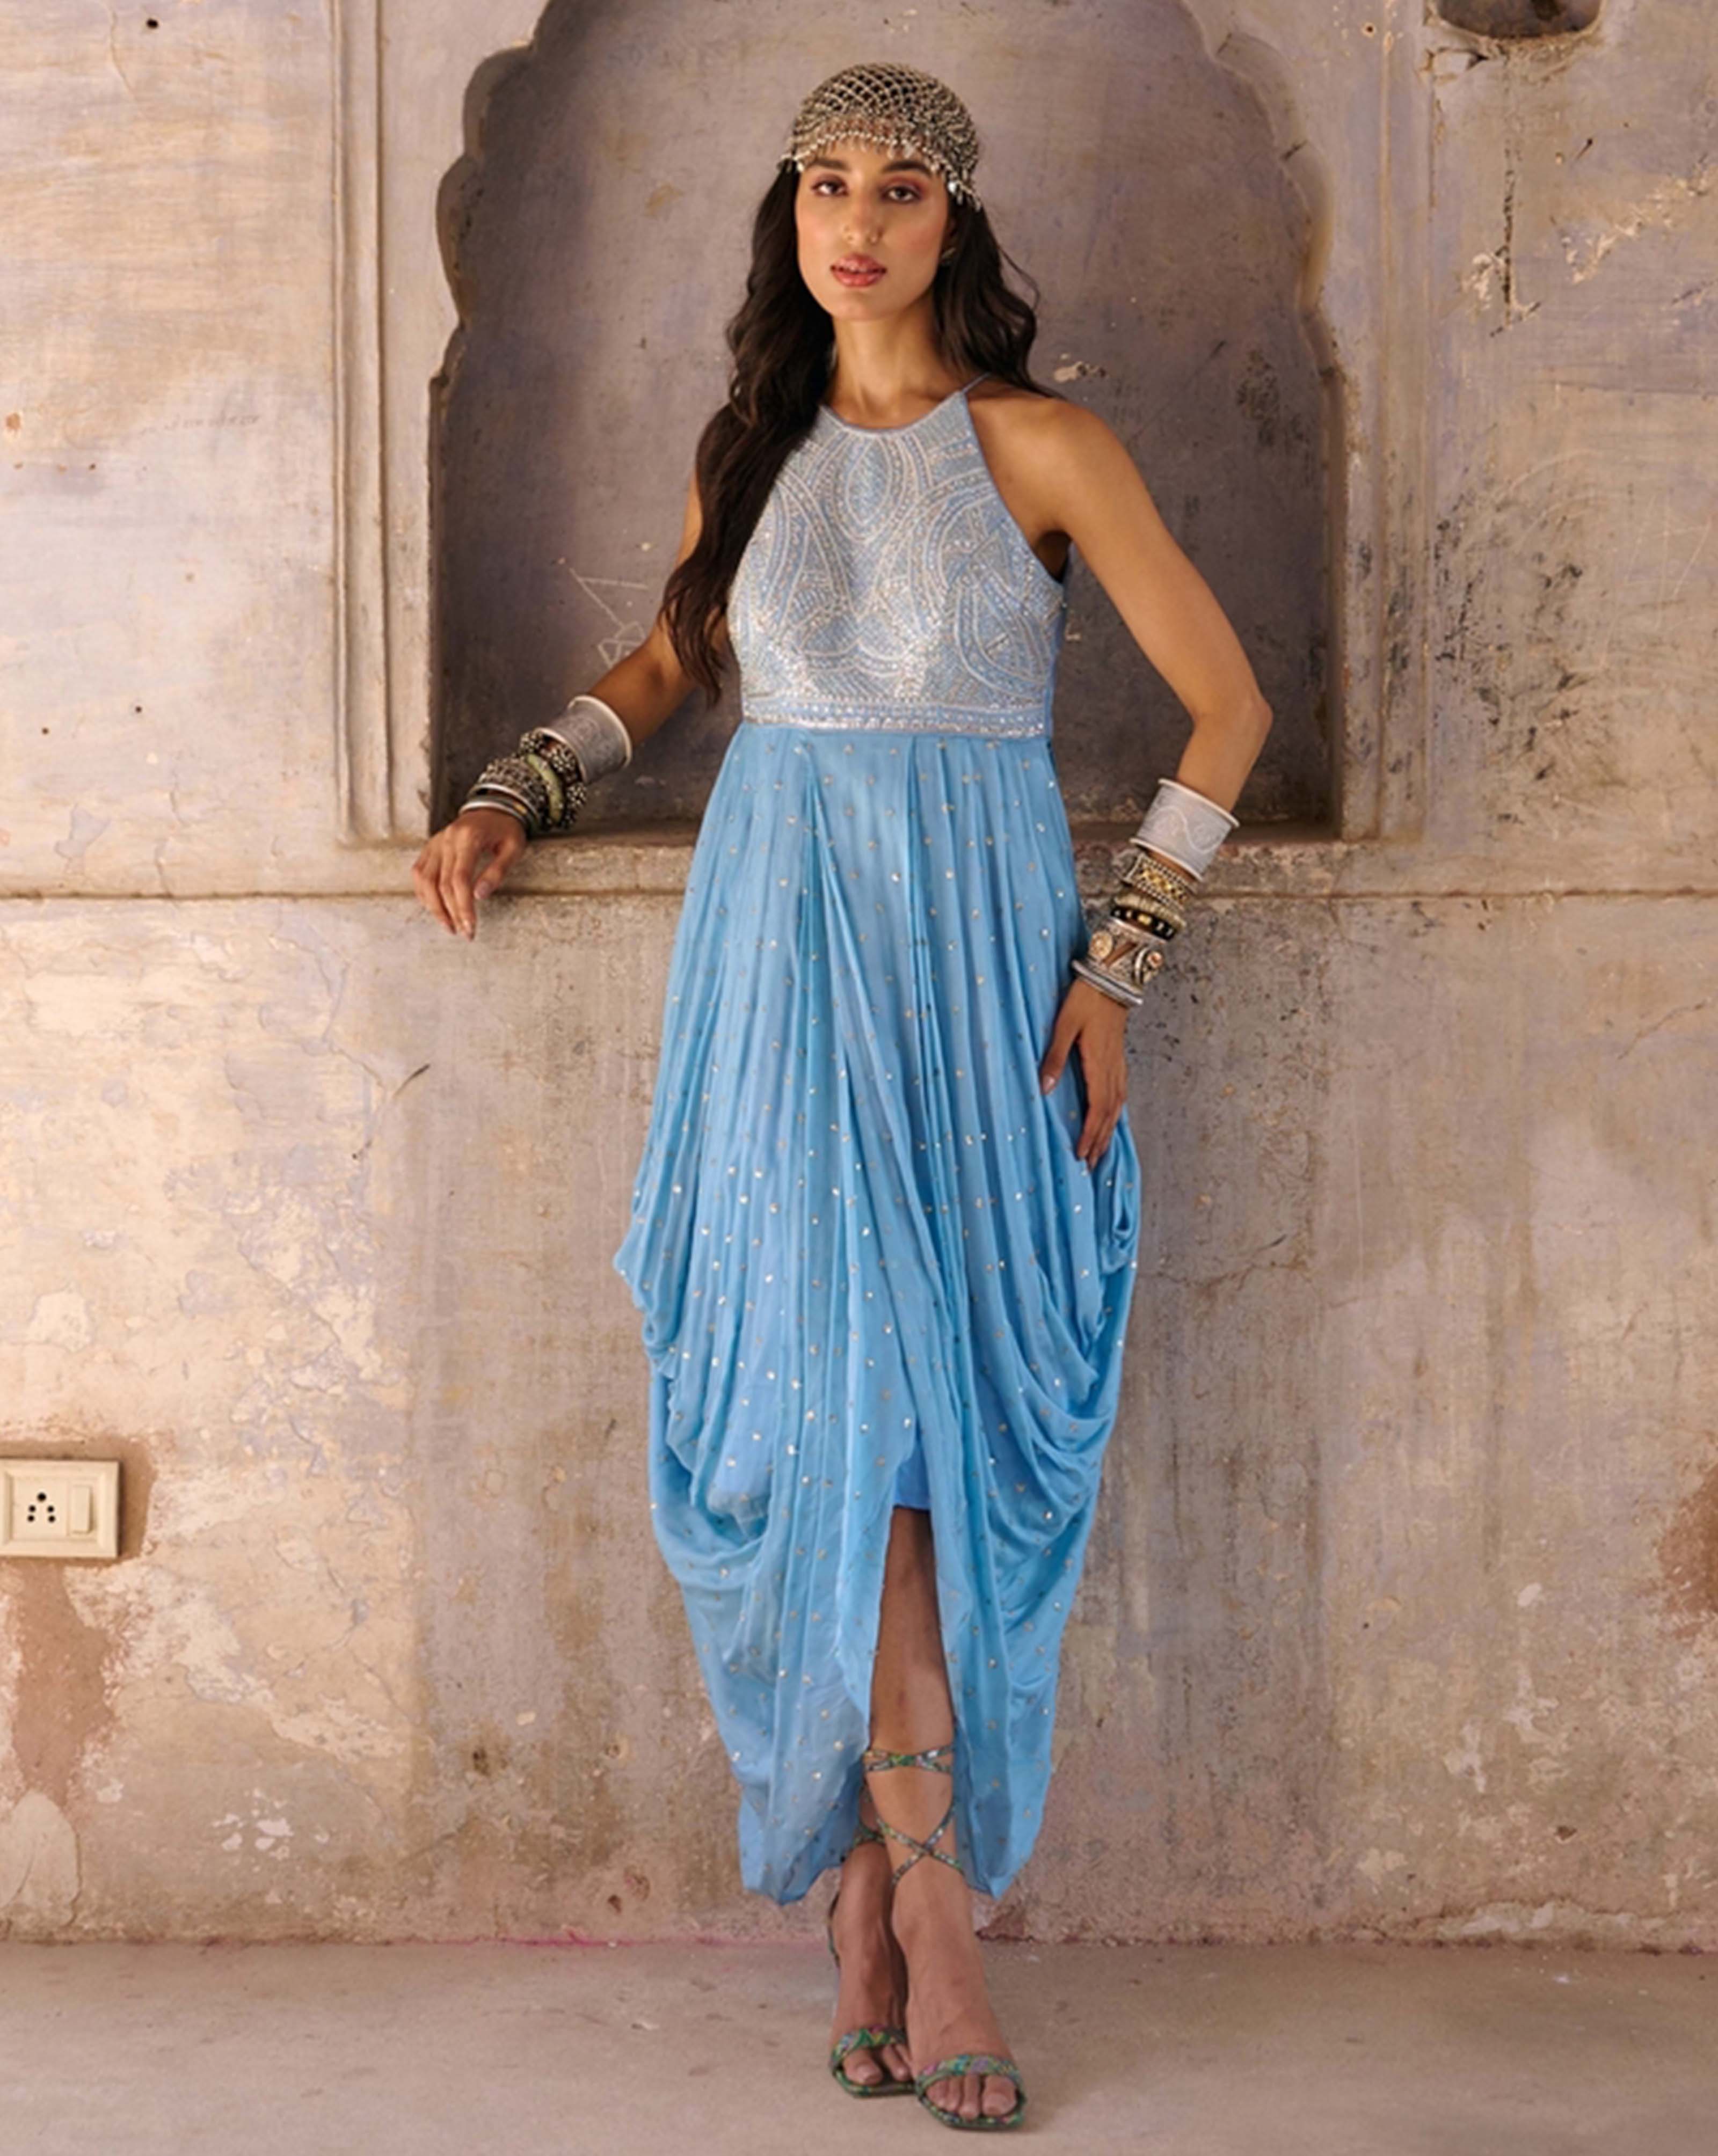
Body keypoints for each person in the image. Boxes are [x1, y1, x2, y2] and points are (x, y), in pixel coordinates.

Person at [413, 59, 1273, 2132]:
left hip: (973, 965)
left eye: (899, 187)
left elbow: (1230, 706)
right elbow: (665, 666)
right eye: (825, 183)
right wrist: (517, 788)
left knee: (931, 1417)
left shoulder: (1044, 444)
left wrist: (1119, 966)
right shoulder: (755, 447)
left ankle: (882, 1900)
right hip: (781, 968)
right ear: (789, 214)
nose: (857, 221)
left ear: (953, 221)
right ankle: (933, 1898)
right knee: (849, 1407)